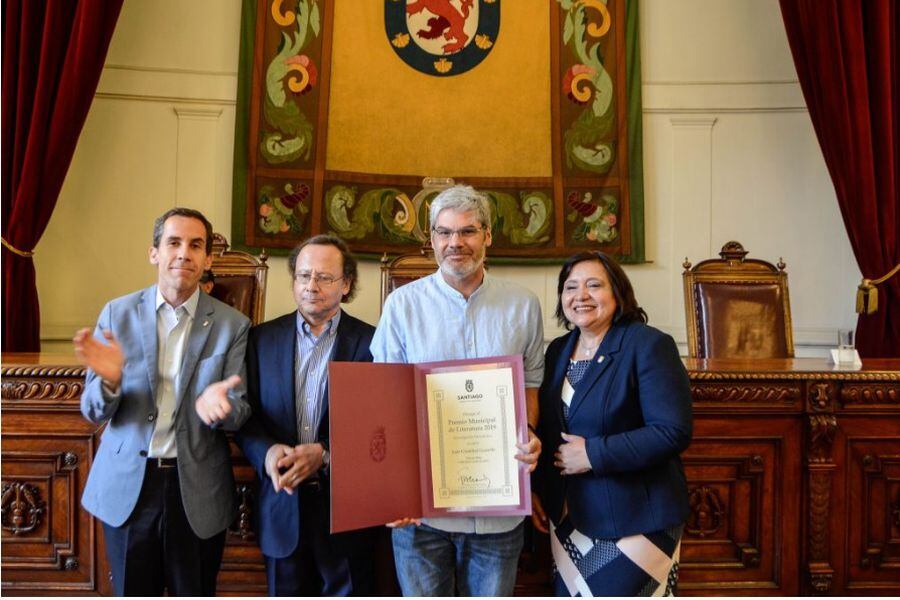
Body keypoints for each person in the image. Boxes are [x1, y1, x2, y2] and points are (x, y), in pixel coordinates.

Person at [370, 184, 544, 596]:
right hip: (422, 515)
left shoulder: (523, 305)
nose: (455, 243)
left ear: (487, 236)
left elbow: (531, 384)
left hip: (498, 512)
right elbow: (385, 400)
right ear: (430, 239)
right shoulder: (402, 305)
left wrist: (530, 434)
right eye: (444, 233)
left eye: (467, 231)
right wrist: (393, 488)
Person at [73, 207, 251, 596]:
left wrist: (222, 410)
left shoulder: (232, 325)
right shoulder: (117, 314)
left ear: (207, 259)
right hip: (129, 488)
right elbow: (92, 410)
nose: (184, 253)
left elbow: (239, 410)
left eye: (195, 245)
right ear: (154, 252)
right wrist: (109, 381)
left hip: (197, 488)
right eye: (173, 243)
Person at [532, 251, 693, 596]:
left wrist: (593, 453)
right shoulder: (559, 350)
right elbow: (550, 429)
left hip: (637, 519)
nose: (581, 296)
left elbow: (672, 430)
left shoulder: (649, 345)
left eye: (594, 285)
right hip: (569, 518)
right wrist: (533, 489)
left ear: (618, 292)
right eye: (571, 287)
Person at [236, 235, 377, 596]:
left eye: (324, 277)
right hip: (282, 504)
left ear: (346, 284)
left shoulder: (374, 344)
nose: (311, 286)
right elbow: (246, 418)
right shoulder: (260, 340)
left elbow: (379, 428)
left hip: (348, 513)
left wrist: (326, 453)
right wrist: (267, 453)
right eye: (303, 275)